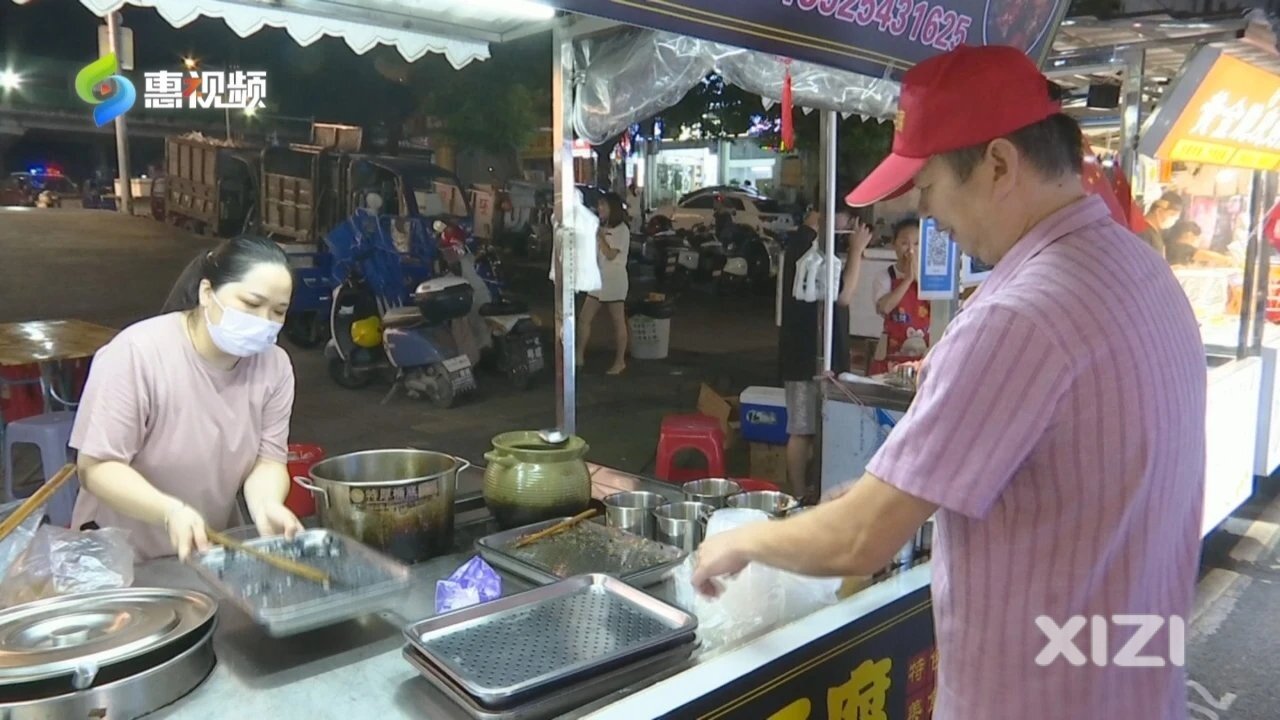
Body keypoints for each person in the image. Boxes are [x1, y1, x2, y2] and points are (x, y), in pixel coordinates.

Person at [692, 45, 1204, 720]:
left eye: (929, 188)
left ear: (997, 164)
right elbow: (1074, 473)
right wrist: (903, 487)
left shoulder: (1018, 314)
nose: (930, 216)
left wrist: (738, 541)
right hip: (1135, 683)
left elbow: (861, 541)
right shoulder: (1141, 272)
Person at [73, 236, 303, 561]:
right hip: (118, 557)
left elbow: (268, 460)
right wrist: (170, 512)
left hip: (208, 549)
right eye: (251, 304)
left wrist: (267, 505)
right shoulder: (137, 352)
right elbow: (96, 467)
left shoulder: (274, 367)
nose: (264, 321)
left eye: (278, 311)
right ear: (207, 293)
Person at [778, 209, 873, 500]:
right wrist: (856, 251)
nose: (849, 228)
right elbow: (843, 296)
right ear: (823, 214)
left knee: (812, 429)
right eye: (846, 221)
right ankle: (798, 494)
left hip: (817, 351)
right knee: (802, 429)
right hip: (807, 354)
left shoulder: (813, 243)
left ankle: (810, 490)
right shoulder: (808, 244)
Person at [576, 191, 630, 375]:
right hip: (597, 279)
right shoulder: (600, 226)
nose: (600, 209)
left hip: (614, 280)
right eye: (599, 205)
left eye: (603, 205)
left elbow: (610, 254)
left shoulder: (622, 230)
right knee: (584, 318)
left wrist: (599, 237)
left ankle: (620, 361)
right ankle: (579, 355)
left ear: (612, 209)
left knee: (617, 321)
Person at [870, 217, 930, 375]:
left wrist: (918, 279)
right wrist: (908, 279)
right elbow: (885, 308)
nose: (910, 250)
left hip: (925, 354)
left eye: (917, 243)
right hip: (892, 354)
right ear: (894, 245)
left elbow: (941, 310)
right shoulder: (885, 276)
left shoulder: (932, 277)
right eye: (904, 243)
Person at [1165, 220, 1233, 267]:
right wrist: (1227, 260)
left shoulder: (1169, 245)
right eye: (1197, 238)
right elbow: (1208, 255)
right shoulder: (1180, 248)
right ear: (1189, 235)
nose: (1198, 242)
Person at [1141, 191, 1184, 256]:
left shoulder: (1154, 233)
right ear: (1159, 211)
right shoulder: (1143, 232)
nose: (1174, 219)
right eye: (1172, 214)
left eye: (1176, 217)